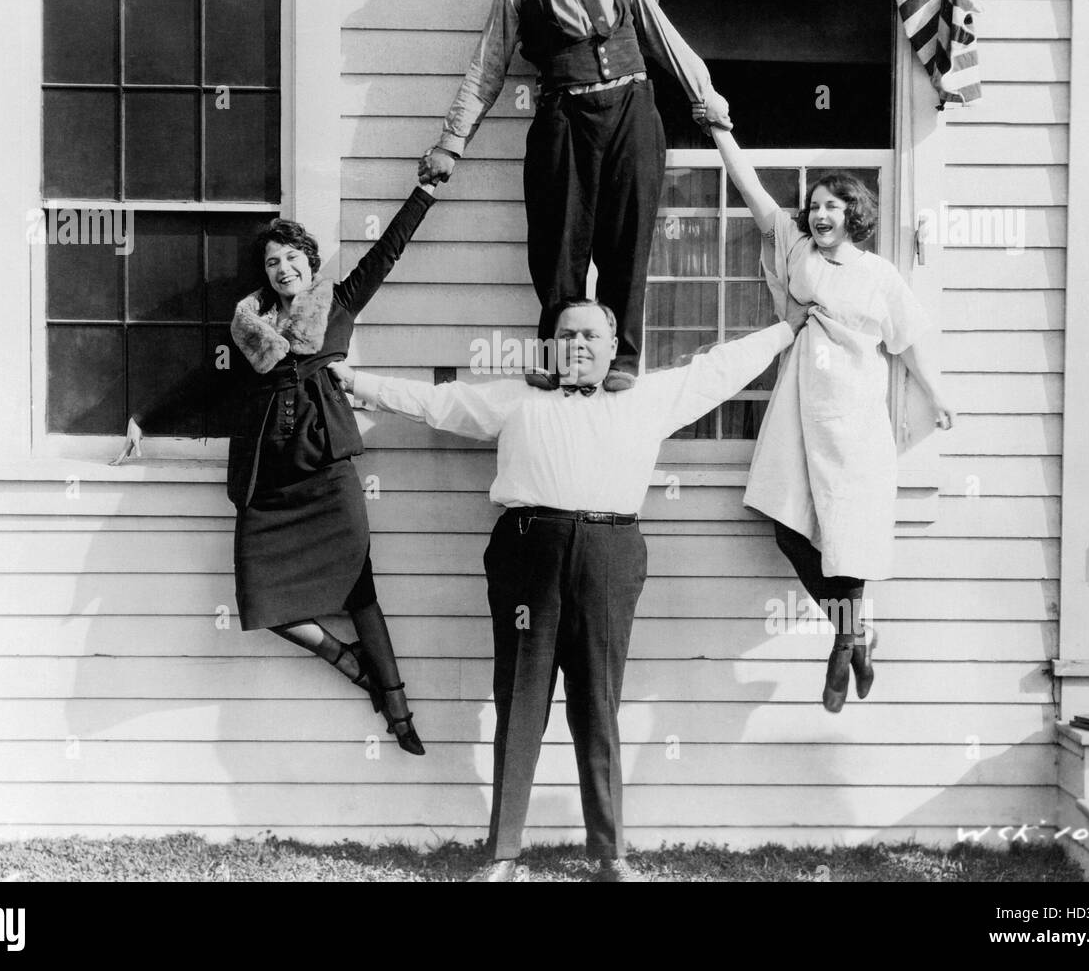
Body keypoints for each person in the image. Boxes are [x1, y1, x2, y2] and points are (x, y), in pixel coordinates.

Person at [330, 299, 795, 880]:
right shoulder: (517, 398)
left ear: (612, 343)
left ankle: (609, 854)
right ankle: (502, 854)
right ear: (550, 344)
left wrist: (786, 328)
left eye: (591, 336)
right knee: (521, 702)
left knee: (598, 703)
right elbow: (435, 402)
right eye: (566, 334)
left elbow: (719, 369)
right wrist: (353, 380)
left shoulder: (649, 399)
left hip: (611, 555)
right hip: (529, 553)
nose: (578, 344)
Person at [113, 184, 440, 754]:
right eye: (272, 261)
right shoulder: (248, 329)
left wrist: (424, 192)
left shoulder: (338, 302)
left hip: (329, 474)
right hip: (268, 479)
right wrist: (147, 416)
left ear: (310, 263)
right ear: (264, 274)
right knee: (260, 602)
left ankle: (397, 706)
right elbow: (206, 381)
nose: (283, 267)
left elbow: (389, 249)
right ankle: (346, 659)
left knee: (358, 591)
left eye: (292, 257)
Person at [417, 0, 731, 391]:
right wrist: (451, 143)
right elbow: (486, 69)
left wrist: (705, 91)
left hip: (632, 108)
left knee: (627, 239)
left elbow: (659, 31)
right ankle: (553, 353)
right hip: (563, 117)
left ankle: (624, 358)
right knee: (559, 243)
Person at [704, 123, 955, 713]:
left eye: (832, 206)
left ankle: (845, 637)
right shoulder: (797, 251)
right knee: (788, 529)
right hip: (798, 410)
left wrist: (936, 394)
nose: (819, 216)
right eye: (813, 206)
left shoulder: (879, 276)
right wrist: (719, 131)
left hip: (853, 418)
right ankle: (856, 634)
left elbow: (911, 341)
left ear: (854, 214)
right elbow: (756, 197)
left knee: (846, 537)